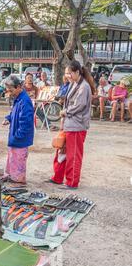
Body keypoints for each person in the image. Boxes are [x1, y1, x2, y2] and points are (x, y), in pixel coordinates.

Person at [50, 60, 96, 189]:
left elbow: (79, 105)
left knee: (73, 155)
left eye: (69, 73)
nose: (67, 76)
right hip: (69, 123)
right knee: (61, 151)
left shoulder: (84, 86)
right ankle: (58, 177)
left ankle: (72, 182)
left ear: (77, 72)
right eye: (66, 73)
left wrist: (65, 112)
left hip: (77, 125)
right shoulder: (73, 83)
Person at [3, 75, 35, 186]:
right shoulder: (18, 98)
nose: (9, 93)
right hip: (15, 136)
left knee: (18, 158)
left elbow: (26, 121)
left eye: (11, 90)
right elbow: (14, 113)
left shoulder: (24, 100)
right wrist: (8, 118)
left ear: (18, 87)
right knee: (13, 157)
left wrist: (18, 134)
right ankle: (13, 176)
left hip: (20, 137)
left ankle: (18, 180)